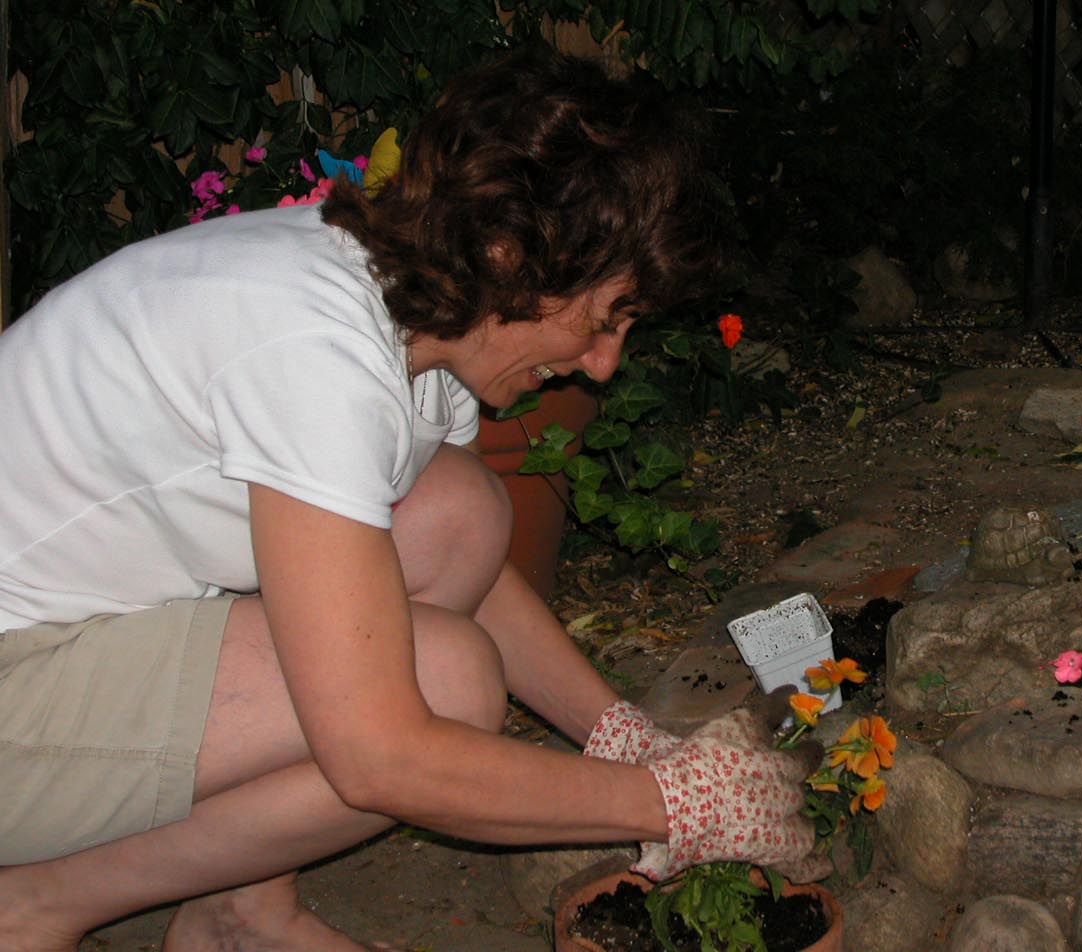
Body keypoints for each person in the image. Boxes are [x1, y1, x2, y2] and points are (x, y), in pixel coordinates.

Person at [0, 50, 822, 951]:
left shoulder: (396, 306)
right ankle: (41, 903)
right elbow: (381, 755)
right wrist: (674, 803)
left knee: (456, 512)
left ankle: (244, 912)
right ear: (511, 255)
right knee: (445, 686)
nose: (604, 363)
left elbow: (456, 562)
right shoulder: (314, 357)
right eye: (607, 314)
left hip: (59, 620)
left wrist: (623, 736)